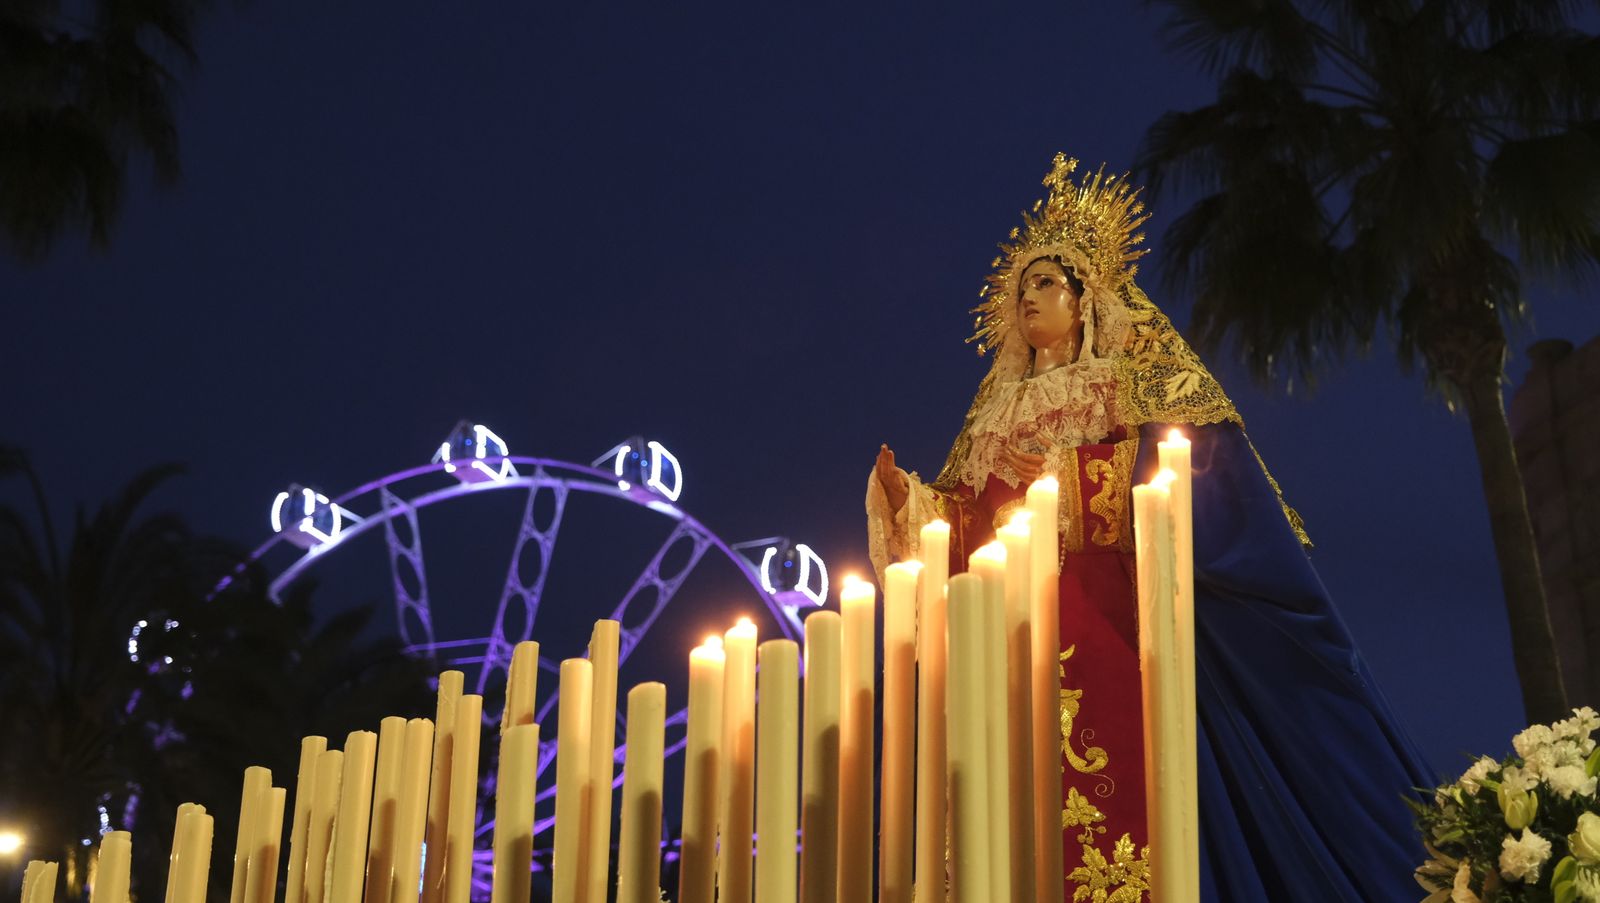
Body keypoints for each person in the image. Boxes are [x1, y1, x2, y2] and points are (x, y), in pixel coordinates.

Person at [866, 154, 1434, 901]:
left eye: (1046, 281)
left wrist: (1074, 481)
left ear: (1088, 298)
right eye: (1019, 286)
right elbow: (964, 524)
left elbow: (1196, 479)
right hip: (1005, 637)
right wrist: (912, 504)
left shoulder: (1132, 380)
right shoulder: (993, 412)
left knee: (1113, 793)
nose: (1027, 297)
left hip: (1103, 617)